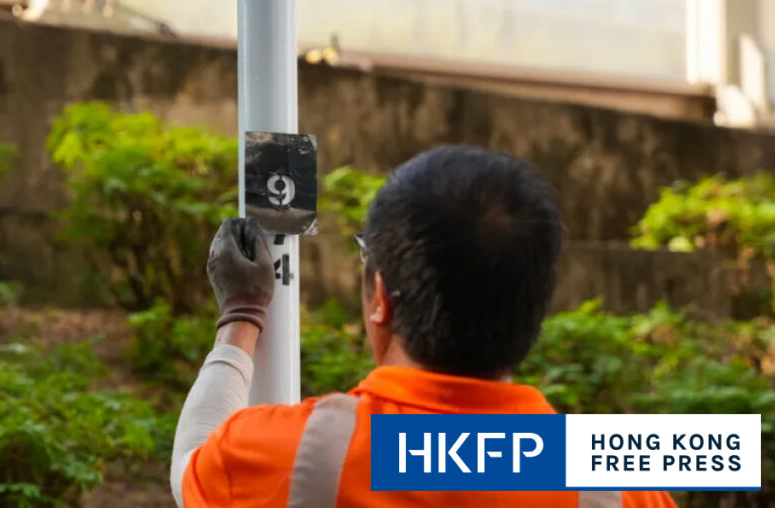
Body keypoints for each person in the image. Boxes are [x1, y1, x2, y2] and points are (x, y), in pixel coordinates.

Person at [169, 146, 677, 508]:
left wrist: (242, 315)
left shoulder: (304, 454)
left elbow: (190, 466)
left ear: (382, 298)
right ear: (534, 306)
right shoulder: (620, 487)